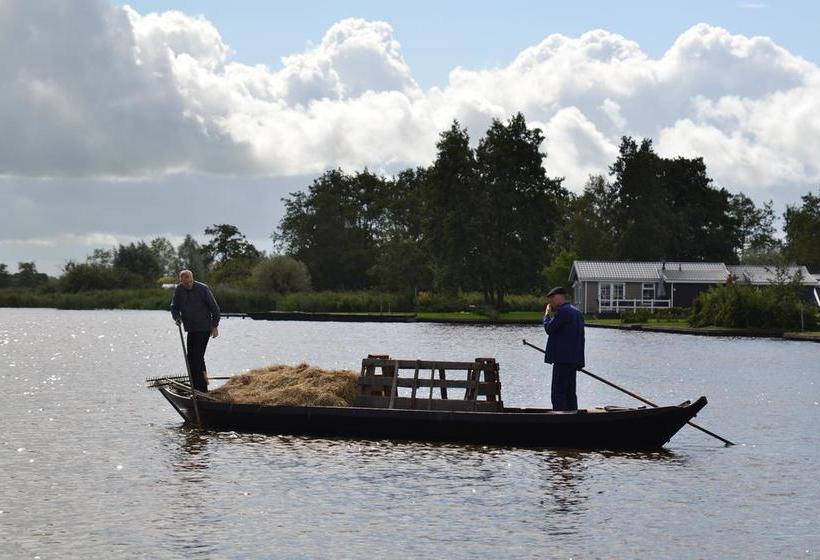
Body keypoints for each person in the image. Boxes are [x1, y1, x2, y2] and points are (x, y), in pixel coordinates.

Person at [170, 270, 220, 392]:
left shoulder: (203, 289)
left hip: (203, 328)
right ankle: (196, 386)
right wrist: (176, 317)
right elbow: (174, 306)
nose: (187, 285)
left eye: (189, 282)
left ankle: (201, 388)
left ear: (192, 279)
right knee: (190, 358)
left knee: (197, 357)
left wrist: (214, 326)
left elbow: (215, 308)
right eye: (184, 283)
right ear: (181, 281)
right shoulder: (179, 289)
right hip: (190, 328)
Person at [543, 286, 585, 411]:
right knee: (570, 392)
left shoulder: (563, 311)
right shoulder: (577, 312)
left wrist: (546, 316)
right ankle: (572, 415)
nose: (551, 303)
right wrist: (580, 361)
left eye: (551, 300)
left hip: (562, 359)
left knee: (558, 392)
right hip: (574, 359)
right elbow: (581, 339)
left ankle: (560, 417)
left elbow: (549, 329)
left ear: (557, 297)